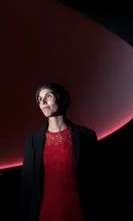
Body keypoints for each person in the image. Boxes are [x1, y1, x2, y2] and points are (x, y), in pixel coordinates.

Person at [19, 82, 99, 221]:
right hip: (44, 213)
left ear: (63, 99)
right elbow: (27, 186)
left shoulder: (87, 135)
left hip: (79, 212)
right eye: (39, 99)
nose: (42, 101)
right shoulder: (32, 140)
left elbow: (98, 179)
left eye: (48, 96)